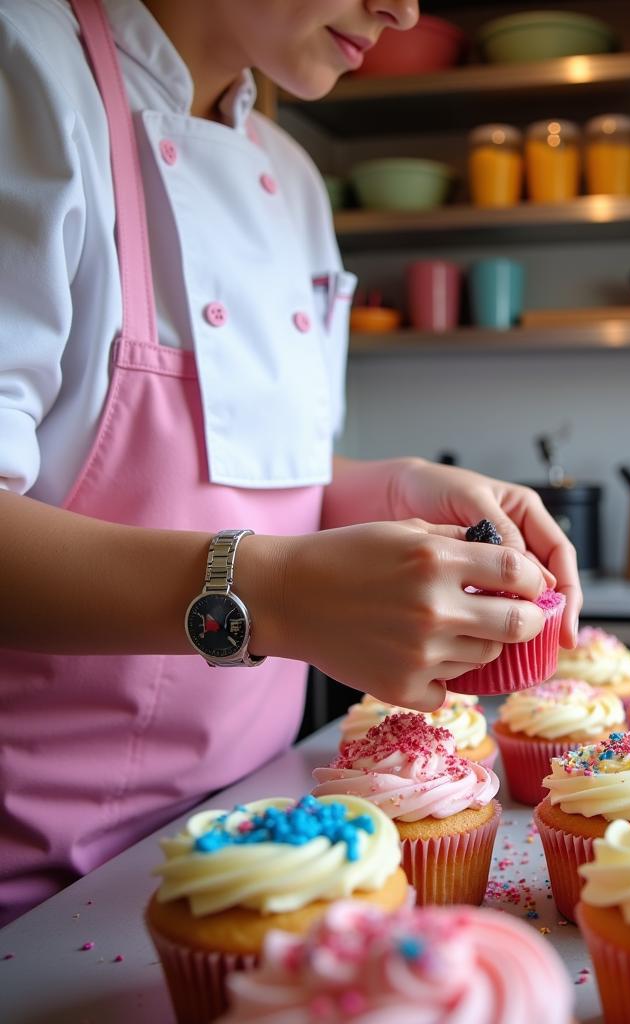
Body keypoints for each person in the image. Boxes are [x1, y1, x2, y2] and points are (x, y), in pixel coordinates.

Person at [0, 0, 581, 926]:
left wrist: (390, 488)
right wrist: (274, 596)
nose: (404, 10)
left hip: (268, 823)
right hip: (37, 879)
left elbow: (244, 470)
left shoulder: (294, 177)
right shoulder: (22, 66)